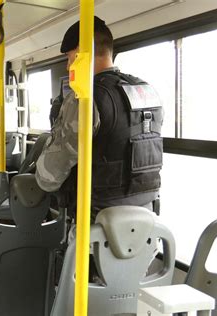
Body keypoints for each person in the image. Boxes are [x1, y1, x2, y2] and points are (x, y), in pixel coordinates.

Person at [36, 16, 163, 219]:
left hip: (97, 223)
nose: (69, 66)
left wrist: (39, 175)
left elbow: (51, 174)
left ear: (81, 53)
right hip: (147, 217)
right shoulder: (148, 92)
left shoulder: (85, 98)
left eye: (70, 58)